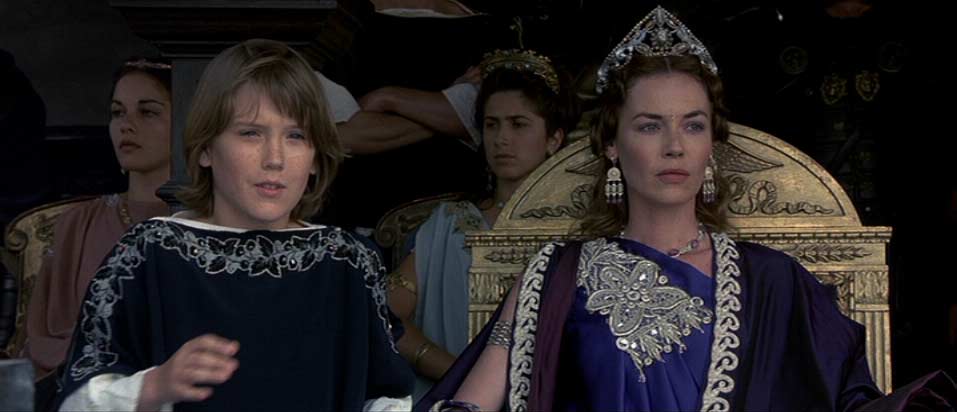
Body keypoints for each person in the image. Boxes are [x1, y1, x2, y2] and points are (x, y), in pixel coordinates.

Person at [418, 7, 895, 411]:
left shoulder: (773, 280)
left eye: (693, 125)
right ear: (611, 144)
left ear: (711, 145)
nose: (674, 146)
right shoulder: (554, 275)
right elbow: (474, 403)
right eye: (649, 126)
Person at [54, 39, 413, 411]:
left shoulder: (348, 260)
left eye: (296, 136)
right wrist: (153, 387)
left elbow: (386, 393)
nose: (275, 159)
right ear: (206, 148)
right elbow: (75, 401)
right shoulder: (149, 253)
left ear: (315, 158)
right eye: (251, 133)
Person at [386, 49, 571, 401]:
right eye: (491, 124)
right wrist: (458, 373)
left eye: (518, 124)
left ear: (554, 139)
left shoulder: (580, 231)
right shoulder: (448, 223)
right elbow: (386, 316)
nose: (502, 138)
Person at [25, 57, 172, 381]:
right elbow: (43, 340)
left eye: (147, 112)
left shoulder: (207, 221)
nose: (126, 125)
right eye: (118, 112)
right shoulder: (78, 225)